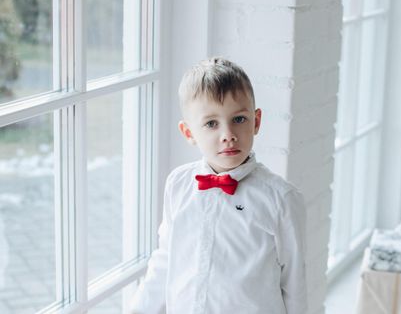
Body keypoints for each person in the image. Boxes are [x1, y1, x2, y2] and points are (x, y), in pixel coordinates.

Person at [130, 57, 308, 314]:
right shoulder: (178, 184)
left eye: (239, 119)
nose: (228, 134)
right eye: (211, 123)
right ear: (189, 132)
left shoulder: (281, 199)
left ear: (256, 121)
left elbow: (295, 286)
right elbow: (166, 260)